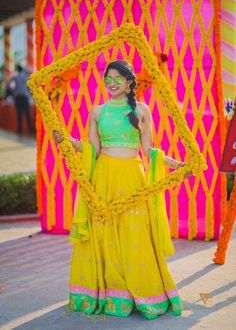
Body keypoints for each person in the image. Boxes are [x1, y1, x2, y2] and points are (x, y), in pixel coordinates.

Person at [53, 60, 190, 320]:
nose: (112, 83)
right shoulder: (97, 112)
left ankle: (141, 293)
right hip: (104, 178)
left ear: (129, 82)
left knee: (134, 235)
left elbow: (149, 151)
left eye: (118, 78)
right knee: (104, 235)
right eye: (108, 78)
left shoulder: (141, 110)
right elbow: (93, 151)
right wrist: (68, 141)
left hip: (132, 179)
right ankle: (110, 294)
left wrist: (175, 165)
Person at [9, 64, 32, 135]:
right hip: (25, 97)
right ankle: (30, 129)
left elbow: (9, 84)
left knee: (19, 114)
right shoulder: (26, 77)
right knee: (27, 113)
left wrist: (13, 91)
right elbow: (31, 84)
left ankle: (19, 129)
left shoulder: (15, 77)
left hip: (17, 97)